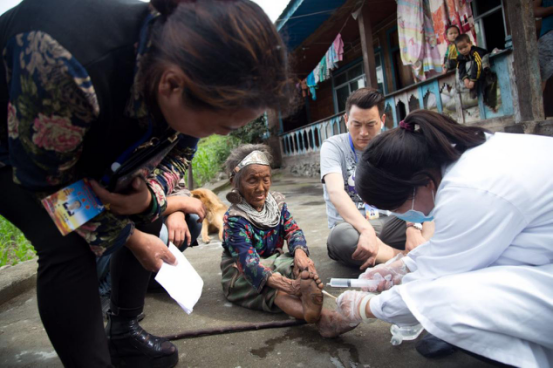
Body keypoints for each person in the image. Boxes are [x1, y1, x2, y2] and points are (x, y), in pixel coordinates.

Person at [0, 0, 293, 366]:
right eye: (223, 125)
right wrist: (130, 237)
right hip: (15, 155)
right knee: (67, 247)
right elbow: (49, 187)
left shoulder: (189, 72)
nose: (220, 134)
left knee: (136, 200)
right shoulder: (65, 66)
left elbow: (182, 151)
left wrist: (150, 199)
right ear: (172, 85)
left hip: (73, 145)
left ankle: (123, 331)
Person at [335, 110, 553, 367]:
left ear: (423, 183)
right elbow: (452, 248)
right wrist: (403, 266)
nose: (403, 216)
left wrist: (367, 306)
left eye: (398, 208)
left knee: (445, 301)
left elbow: (431, 286)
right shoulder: (462, 158)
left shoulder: (468, 191)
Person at [221, 144, 357, 338]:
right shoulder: (234, 218)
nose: (261, 188)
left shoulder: (276, 203)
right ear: (236, 182)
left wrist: (300, 254)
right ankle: (322, 318)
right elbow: (248, 263)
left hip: (275, 261)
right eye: (252, 181)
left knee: (298, 265)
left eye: (265, 180)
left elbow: (293, 230)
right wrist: (289, 285)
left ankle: (306, 291)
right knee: (271, 288)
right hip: (241, 271)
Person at [320, 88, 434, 271]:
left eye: (370, 124)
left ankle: (416, 249)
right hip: (353, 227)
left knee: (435, 209)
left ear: (382, 120)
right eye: (356, 124)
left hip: (391, 222)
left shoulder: (392, 143)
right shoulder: (333, 147)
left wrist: (413, 227)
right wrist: (366, 230)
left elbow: (411, 189)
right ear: (346, 120)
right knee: (341, 238)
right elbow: (335, 191)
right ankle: (408, 259)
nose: (363, 133)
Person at [534, 0, 553, 90]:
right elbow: (533, 10)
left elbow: (534, 11)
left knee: (538, 75)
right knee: (540, 76)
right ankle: (536, 103)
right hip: (548, 35)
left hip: (549, 36)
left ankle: (535, 103)